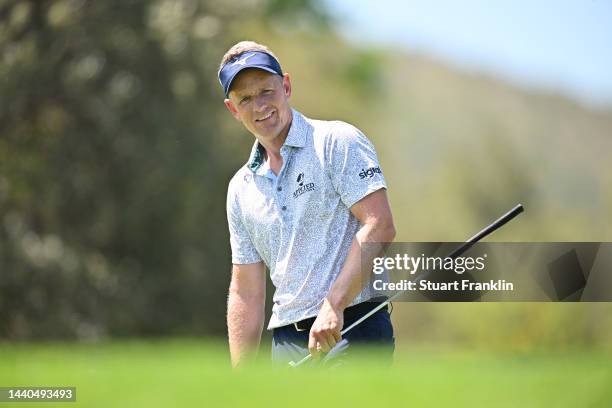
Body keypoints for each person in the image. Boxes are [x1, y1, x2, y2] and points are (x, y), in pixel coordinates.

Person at [220, 41, 396, 367]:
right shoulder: (240, 188)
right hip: (286, 342)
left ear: (285, 86)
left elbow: (380, 225)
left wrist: (335, 304)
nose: (259, 106)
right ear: (233, 109)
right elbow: (247, 289)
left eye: (266, 92)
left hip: (352, 325)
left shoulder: (335, 141)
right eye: (246, 99)